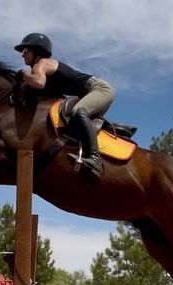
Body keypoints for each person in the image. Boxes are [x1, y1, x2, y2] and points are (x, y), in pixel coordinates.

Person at [15, 32, 115, 180]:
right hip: (90, 92)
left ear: (36, 51)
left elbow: (38, 83)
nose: (22, 55)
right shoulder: (44, 68)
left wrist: (24, 75)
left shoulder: (41, 64)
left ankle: (94, 159)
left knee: (79, 111)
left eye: (25, 51)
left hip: (100, 89)